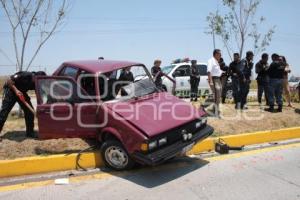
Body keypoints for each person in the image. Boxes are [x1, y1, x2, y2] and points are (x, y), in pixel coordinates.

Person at [0, 71, 46, 137]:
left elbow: (38, 94)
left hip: (21, 93)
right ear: (35, 77)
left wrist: (42, 106)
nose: (40, 83)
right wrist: (16, 90)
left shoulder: (37, 82)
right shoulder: (25, 75)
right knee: (4, 113)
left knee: (29, 112)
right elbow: (9, 80)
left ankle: (30, 133)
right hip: (11, 90)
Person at [207, 49, 223, 116]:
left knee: (218, 96)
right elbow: (209, 71)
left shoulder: (216, 61)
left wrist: (222, 72)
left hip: (218, 79)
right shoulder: (211, 61)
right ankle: (215, 111)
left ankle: (215, 109)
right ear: (216, 54)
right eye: (220, 54)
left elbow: (217, 71)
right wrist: (210, 81)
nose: (221, 56)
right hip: (214, 80)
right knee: (216, 96)